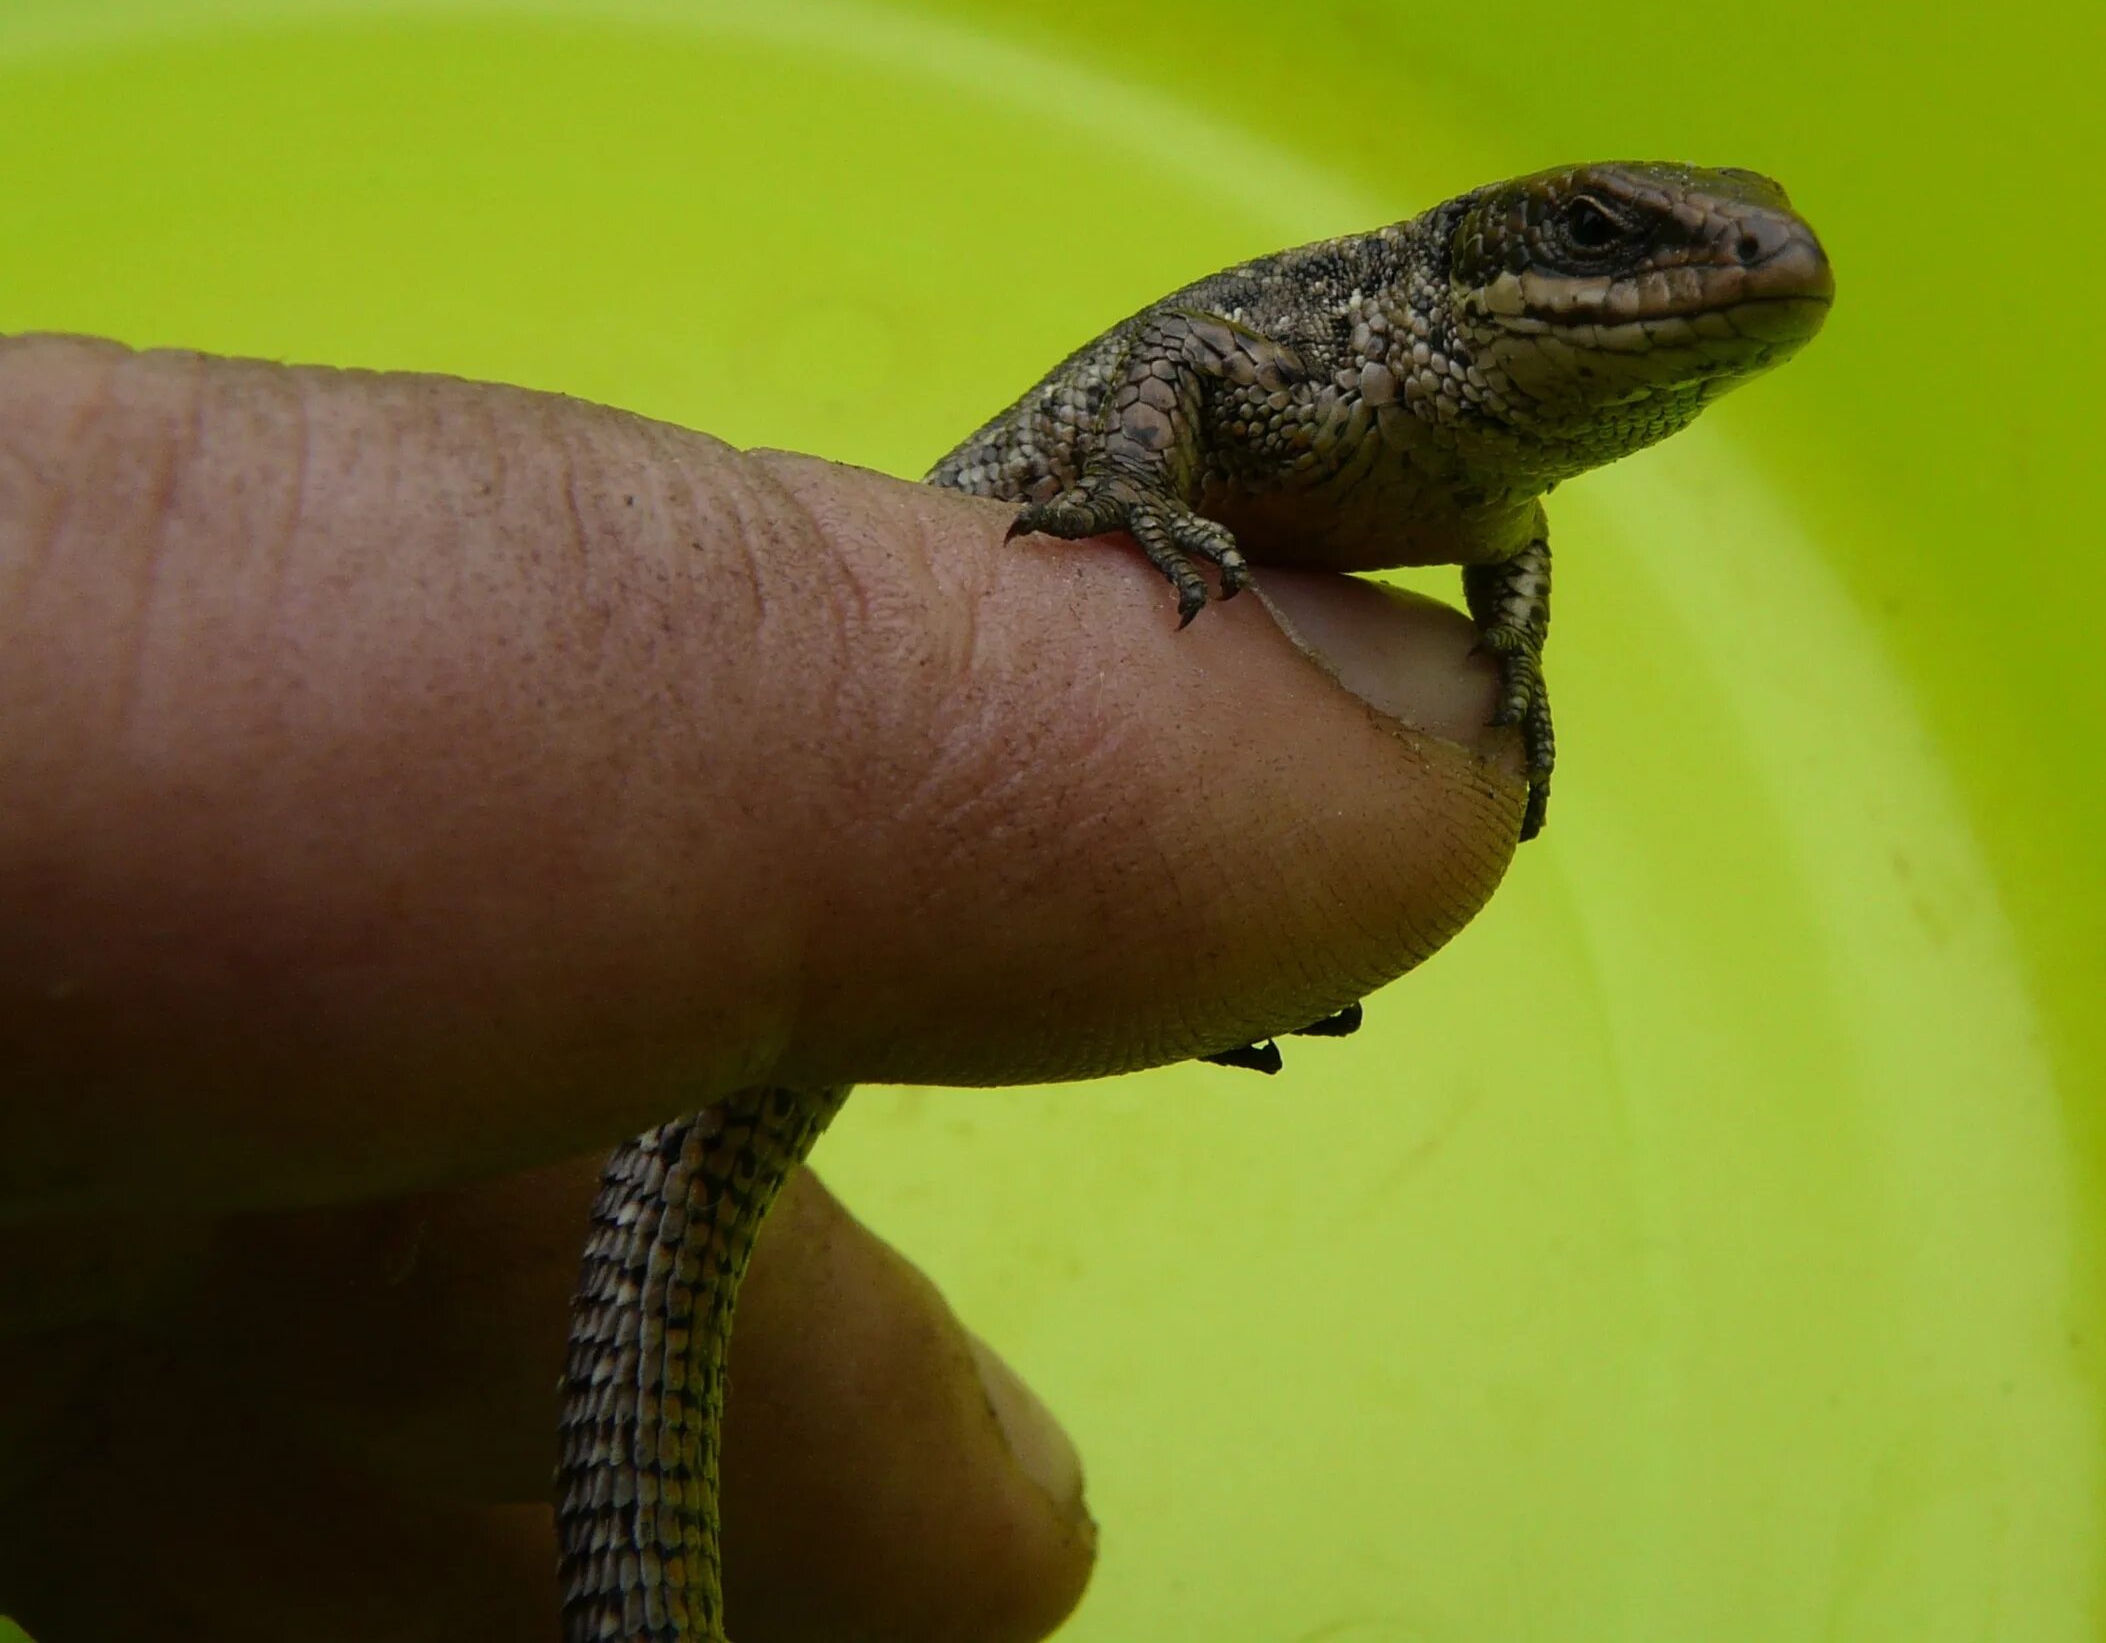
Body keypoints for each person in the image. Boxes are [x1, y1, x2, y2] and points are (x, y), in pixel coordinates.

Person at [0, 334, 1528, 1641]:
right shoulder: (1339, 343)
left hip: (880, 860)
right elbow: (1182, 371)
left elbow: (1501, 535)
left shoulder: (1497, 464)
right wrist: (1128, 500)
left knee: (669, 1286)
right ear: (1488, 267)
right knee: (700, 1234)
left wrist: (1508, 642)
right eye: (1602, 236)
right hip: (891, 799)